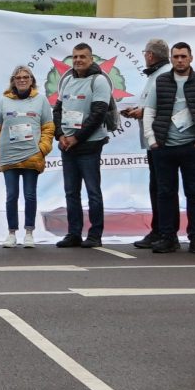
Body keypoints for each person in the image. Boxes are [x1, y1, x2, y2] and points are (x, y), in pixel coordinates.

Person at [142, 43, 195, 254]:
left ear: (191, 58)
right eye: (176, 56)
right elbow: (149, 111)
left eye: (183, 56)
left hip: (192, 147)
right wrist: (152, 140)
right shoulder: (161, 80)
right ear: (171, 58)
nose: (180, 60)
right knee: (165, 193)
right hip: (164, 148)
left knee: (194, 194)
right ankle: (168, 237)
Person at [52, 43, 111, 248]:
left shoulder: (99, 80)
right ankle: (74, 233)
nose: (78, 60)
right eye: (75, 56)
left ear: (91, 59)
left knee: (93, 191)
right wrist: (60, 135)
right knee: (71, 192)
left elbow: (98, 114)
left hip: (89, 145)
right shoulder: (67, 79)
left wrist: (77, 137)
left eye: (82, 57)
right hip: (67, 146)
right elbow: (57, 111)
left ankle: (95, 234)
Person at [0, 66, 54, 249]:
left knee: (30, 195)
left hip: (31, 155)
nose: (22, 80)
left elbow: (48, 128)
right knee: (11, 195)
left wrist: (42, 149)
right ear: (13, 81)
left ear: (31, 80)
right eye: (18, 77)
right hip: (8, 155)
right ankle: (11, 233)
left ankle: (29, 232)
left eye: (26, 77)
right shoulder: (3, 102)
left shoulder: (41, 100)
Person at [120, 39, 171, 249]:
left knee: (162, 189)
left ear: (150, 55)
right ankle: (158, 229)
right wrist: (138, 109)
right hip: (153, 140)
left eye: (145, 53)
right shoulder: (155, 75)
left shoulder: (164, 75)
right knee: (157, 187)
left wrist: (142, 112)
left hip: (161, 139)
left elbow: (168, 104)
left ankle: (163, 231)